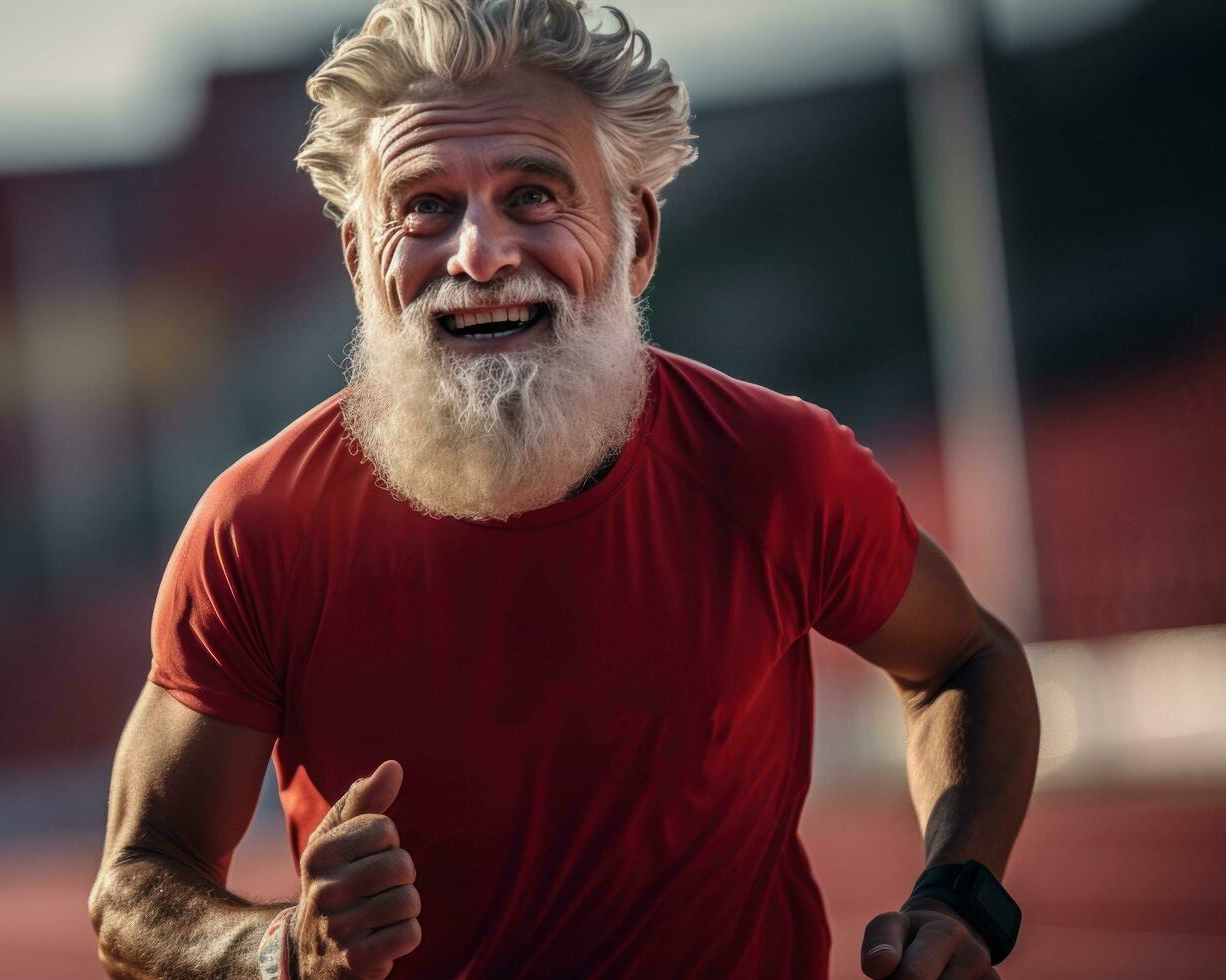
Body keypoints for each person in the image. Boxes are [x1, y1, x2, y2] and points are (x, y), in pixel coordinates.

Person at [88, 1, 1040, 976]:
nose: (480, 254)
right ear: (357, 264)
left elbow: (964, 658)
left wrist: (958, 893)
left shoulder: (770, 464)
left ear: (638, 238)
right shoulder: (259, 527)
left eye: (534, 195)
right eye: (423, 205)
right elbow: (136, 879)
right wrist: (278, 948)